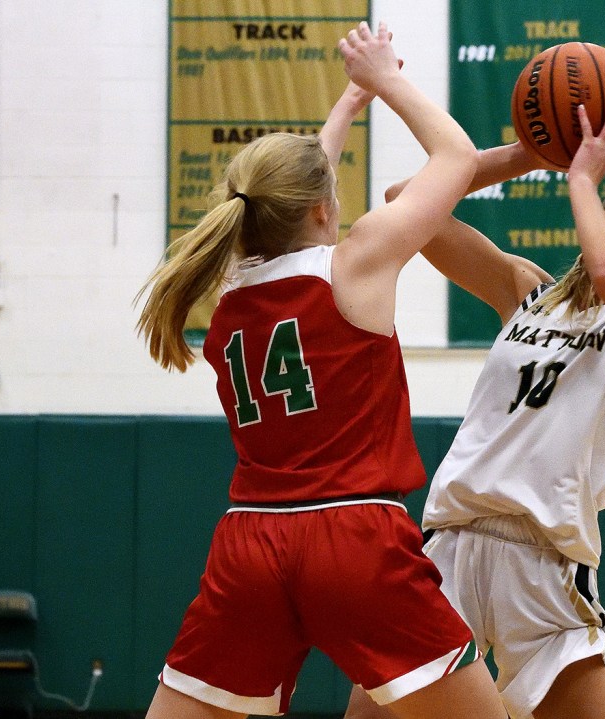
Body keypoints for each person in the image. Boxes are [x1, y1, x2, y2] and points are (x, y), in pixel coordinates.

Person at [135, 20, 507, 719]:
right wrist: (383, 80)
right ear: (322, 209)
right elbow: (455, 156)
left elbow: (288, 203)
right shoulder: (356, 262)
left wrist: (347, 105)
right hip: (353, 537)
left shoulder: (231, 291)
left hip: (250, 543)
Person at [344, 102, 605, 719]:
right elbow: (405, 200)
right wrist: (526, 156)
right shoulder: (527, 292)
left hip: (545, 563)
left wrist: (581, 178)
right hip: (451, 546)